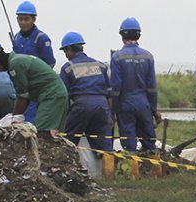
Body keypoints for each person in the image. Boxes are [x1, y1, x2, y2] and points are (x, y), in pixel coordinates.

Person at [58, 32, 116, 178]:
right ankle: (109, 179)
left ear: (70, 49)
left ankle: (69, 174)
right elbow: (109, 94)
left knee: (68, 141)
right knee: (105, 145)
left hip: (81, 105)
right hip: (102, 104)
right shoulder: (100, 65)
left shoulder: (67, 68)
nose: (65, 55)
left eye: (65, 51)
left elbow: (62, 95)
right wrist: (110, 115)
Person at [0, 43, 68, 135]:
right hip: (55, 94)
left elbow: (22, 96)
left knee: (42, 134)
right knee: (53, 135)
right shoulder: (17, 60)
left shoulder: (15, 65)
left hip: (51, 96)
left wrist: (14, 119)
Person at [110, 17, 161, 153]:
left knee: (129, 145)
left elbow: (115, 88)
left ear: (122, 36)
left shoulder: (117, 57)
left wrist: (112, 111)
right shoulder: (148, 56)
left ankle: (133, 172)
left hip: (125, 105)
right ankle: (155, 171)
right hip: (144, 104)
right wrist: (154, 109)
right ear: (139, 35)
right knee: (150, 142)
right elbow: (152, 87)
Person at [12, 1, 55, 124]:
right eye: (20, 19)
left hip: (37, 86)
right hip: (21, 84)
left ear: (33, 19)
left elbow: (50, 63)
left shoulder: (42, 38)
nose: (23, 22)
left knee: (32, 119)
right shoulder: (16, 37)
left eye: (26, 19)